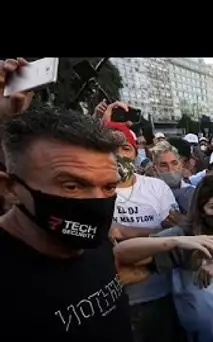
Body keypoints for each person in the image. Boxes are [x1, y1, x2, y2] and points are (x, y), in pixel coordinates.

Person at [0, 103, 132, 340]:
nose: (97, 204)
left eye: (109, 186)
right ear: (10, 189)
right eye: (72, 186)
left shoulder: (97, 241)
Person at [105, 121, 183, 342]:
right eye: (109, 147)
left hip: (161, 294)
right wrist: (154, 238)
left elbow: (176, 234)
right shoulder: (93, 191)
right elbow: (103, 244)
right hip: (117, 301)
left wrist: (123, 233)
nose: (117, 154)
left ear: (134, 152)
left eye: (124, 147)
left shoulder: (156, 187)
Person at [151, 142, 196, 214]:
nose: (170, 169)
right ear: (155, 169)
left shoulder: (195, 192)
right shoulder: (148, 195)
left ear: (181, 165)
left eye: (174, 163)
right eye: (164, 165)